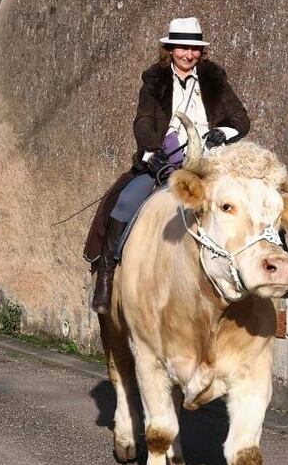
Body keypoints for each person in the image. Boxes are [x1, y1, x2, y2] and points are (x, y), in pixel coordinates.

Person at [87, 17, 250, 314]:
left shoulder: (214, 80)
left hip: (212, 161)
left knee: (257, 198)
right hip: (167, 159)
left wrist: (221, 132)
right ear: (170, 49)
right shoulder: (154, 81)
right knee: (123, 202)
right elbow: (144, 121)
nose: (189, 55)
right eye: (182, 48)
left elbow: (241, 119)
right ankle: (107, 277)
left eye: (194, 49)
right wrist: (151, 153)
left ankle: (281, 270)